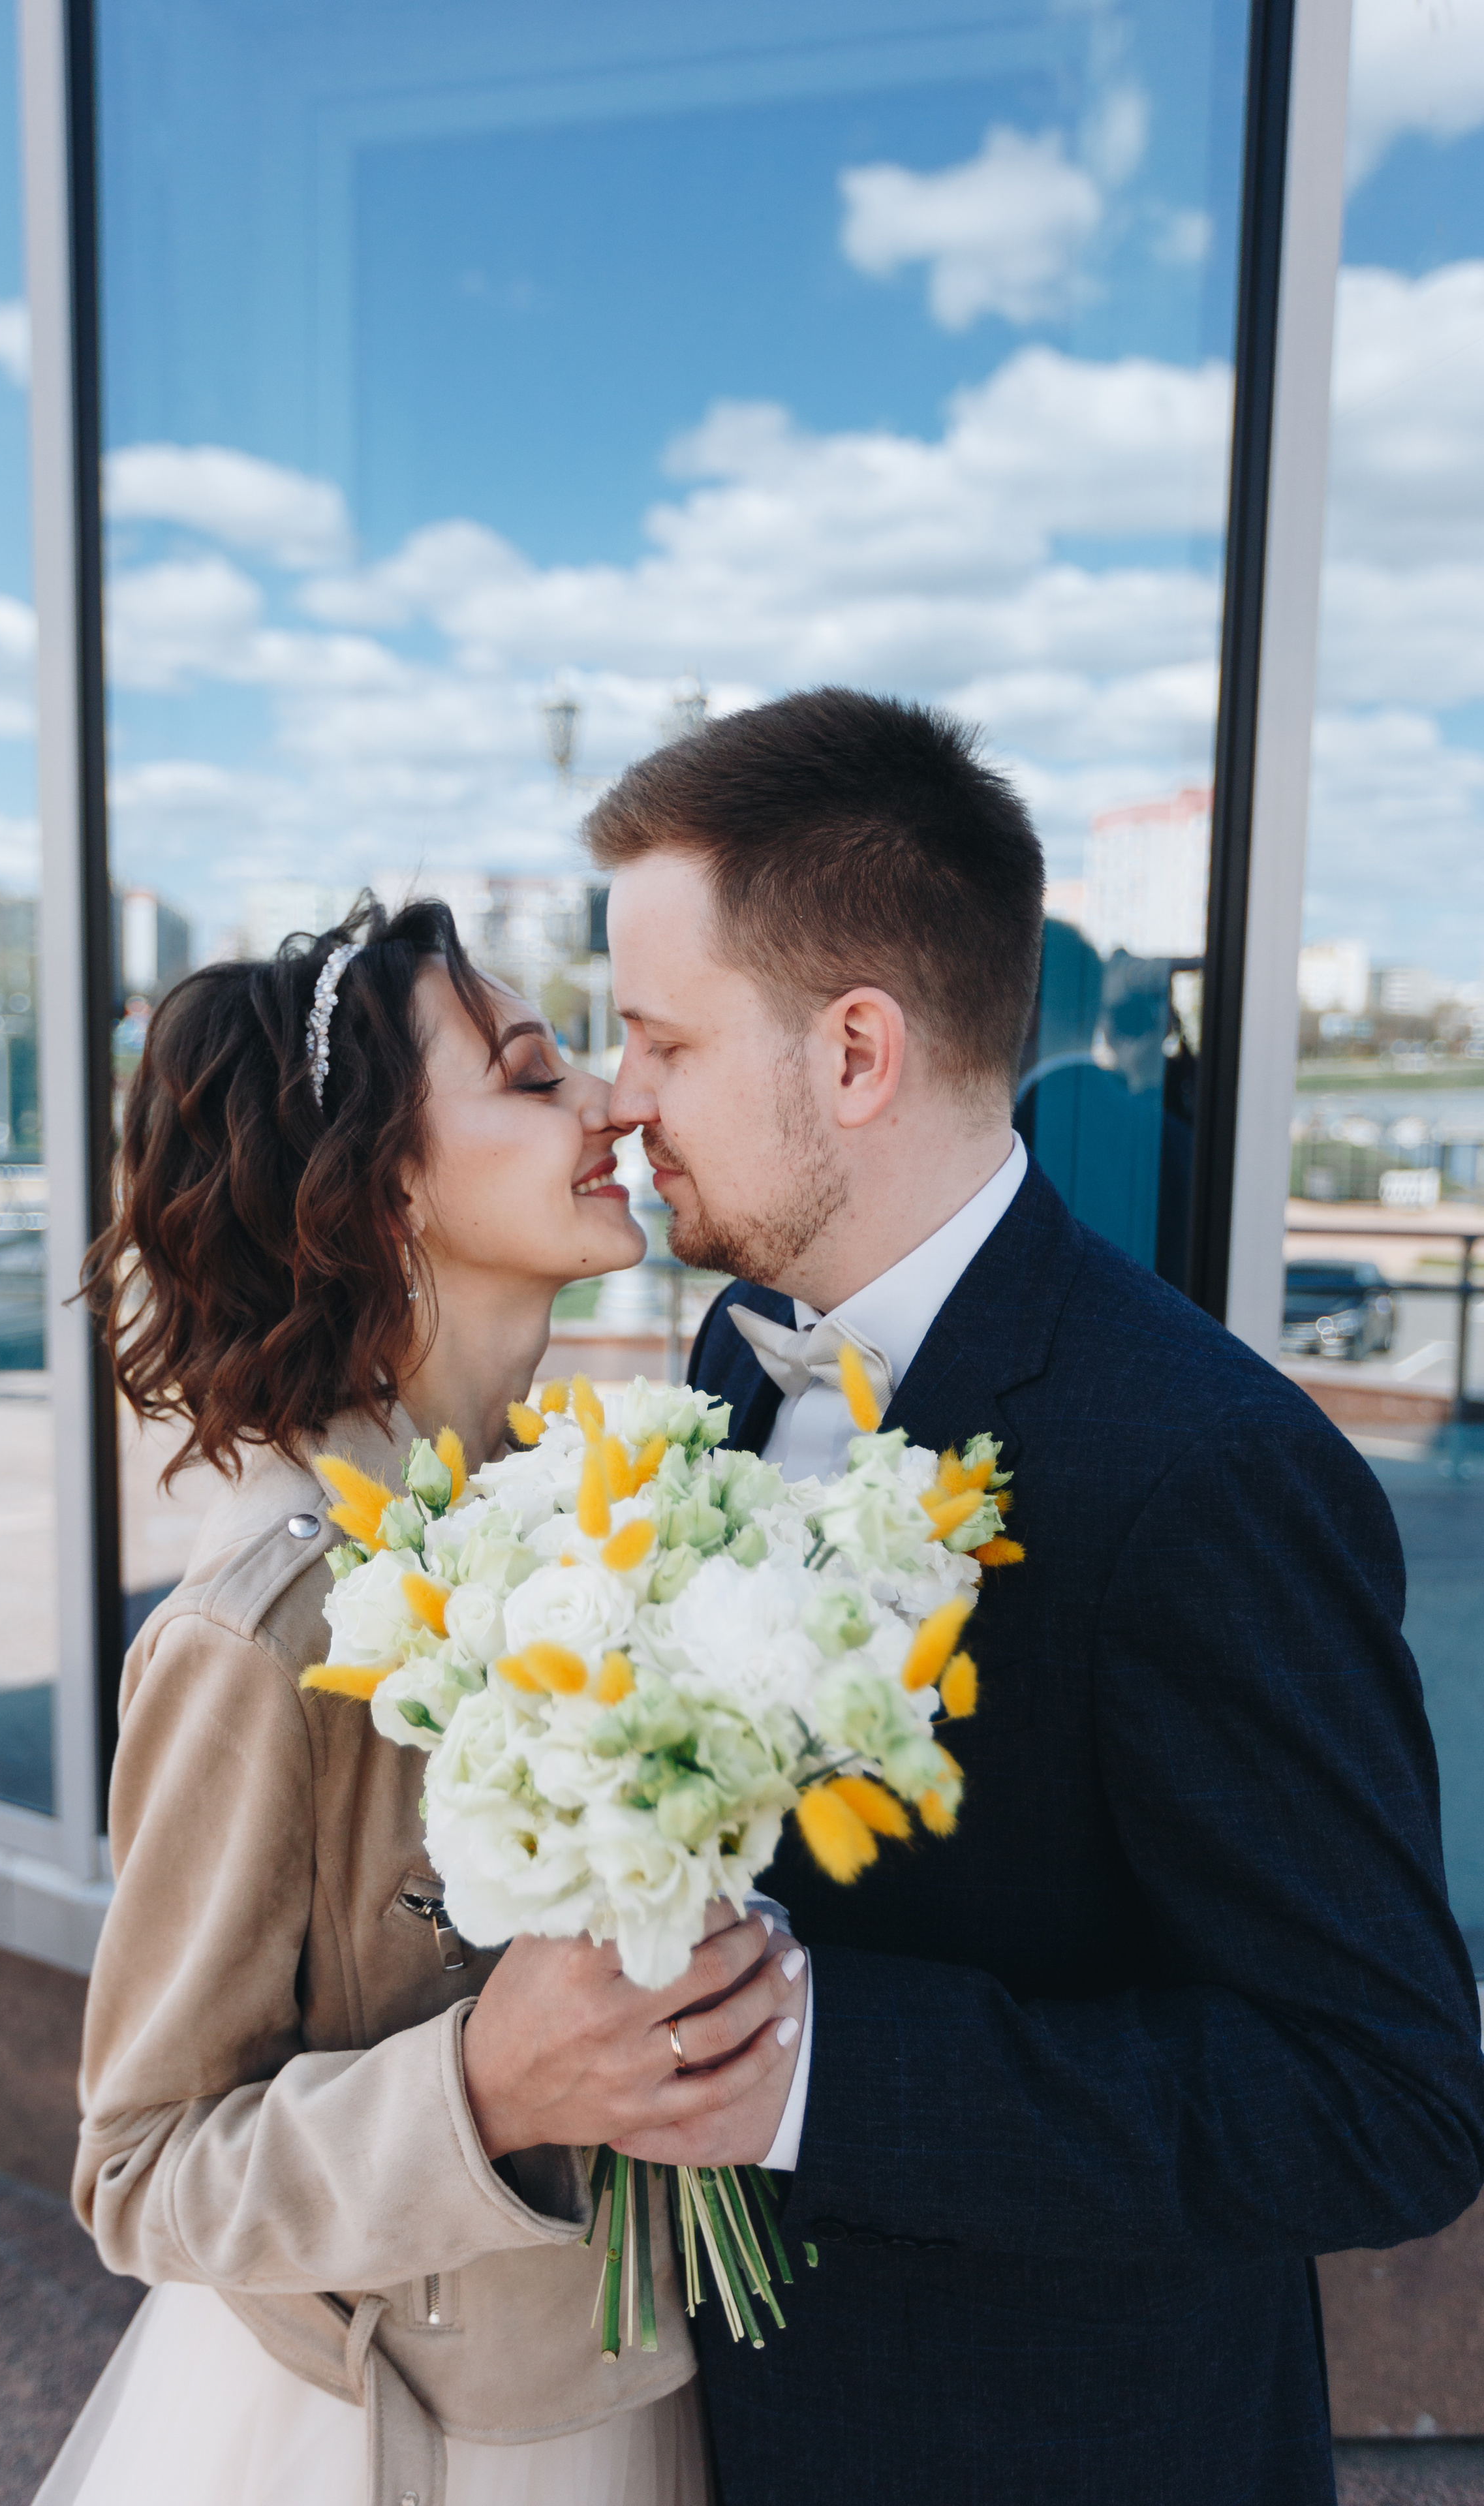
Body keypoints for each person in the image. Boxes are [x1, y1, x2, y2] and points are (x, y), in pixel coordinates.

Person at [591, 688, 1484, 2506]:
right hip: (743, 2428)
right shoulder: (732, 1358)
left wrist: (818, 2066)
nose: (617, 1105)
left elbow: (1387, 2102)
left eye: (656, 1043)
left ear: (854, 1053)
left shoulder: (1206, 1471)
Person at [40, 895, 807, 2506]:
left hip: (636, 2390)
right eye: (534, 1079)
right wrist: (479, 2091)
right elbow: (138, 2171)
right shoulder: (265, 1626)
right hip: (393, 2448)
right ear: (384, 1181)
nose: (610, 1102)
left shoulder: (588, 1515)